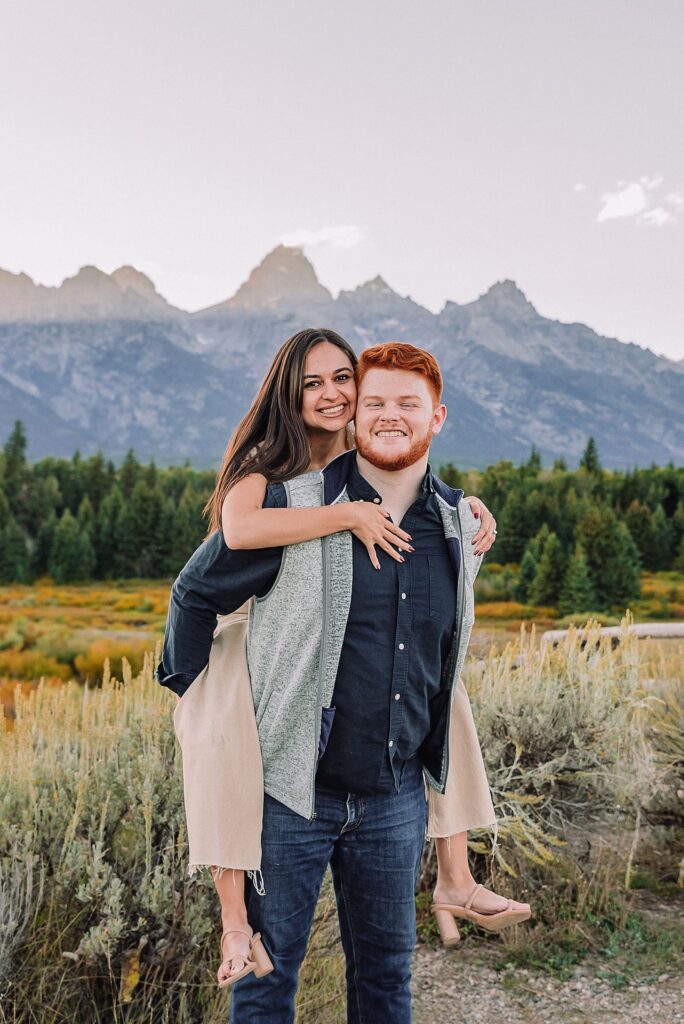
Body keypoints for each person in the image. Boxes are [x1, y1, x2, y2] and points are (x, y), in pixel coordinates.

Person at [158, 333, 530, 1019]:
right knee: (266, 988)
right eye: (365, 399)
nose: (347, 401)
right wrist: (196, 689)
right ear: (354, 418)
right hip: (291, 799)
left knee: (388, 981)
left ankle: (458, 875)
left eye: (346, 384)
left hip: (393, 802)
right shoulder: (287, 501)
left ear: (437, 416)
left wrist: (468, 511)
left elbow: (436, 662)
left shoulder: (455, 524)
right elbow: (199, 583)